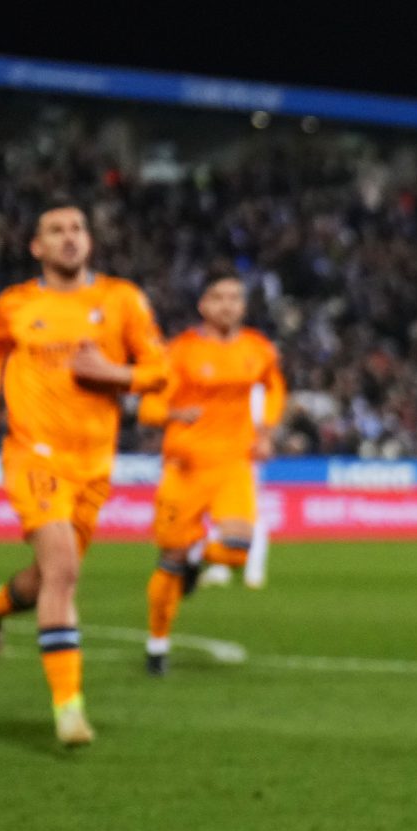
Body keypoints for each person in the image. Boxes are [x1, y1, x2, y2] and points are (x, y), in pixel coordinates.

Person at [0, 205, 166, 745]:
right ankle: (68, 709)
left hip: (95, 464)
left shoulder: (121, 300)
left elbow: (161, 370)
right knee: (64, 573)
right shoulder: (16, 303)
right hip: (35, 455)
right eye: (56, 230)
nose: (69, 238)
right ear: (37, 247)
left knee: (48, 576)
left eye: (77, 228)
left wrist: (113, 374)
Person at [138, 273, 282, 674]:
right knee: (169, 557)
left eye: (235, 297)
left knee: (237, 547)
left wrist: (266, 431)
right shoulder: (179, 352)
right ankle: (157, 645)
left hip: (233, 463)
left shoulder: (258, 348)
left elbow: (274, 389)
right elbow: (148, 408)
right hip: (185, 469)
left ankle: (197, 561)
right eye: (218, 298)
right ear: (202, 305)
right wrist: (174, 414)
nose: (228, 305)